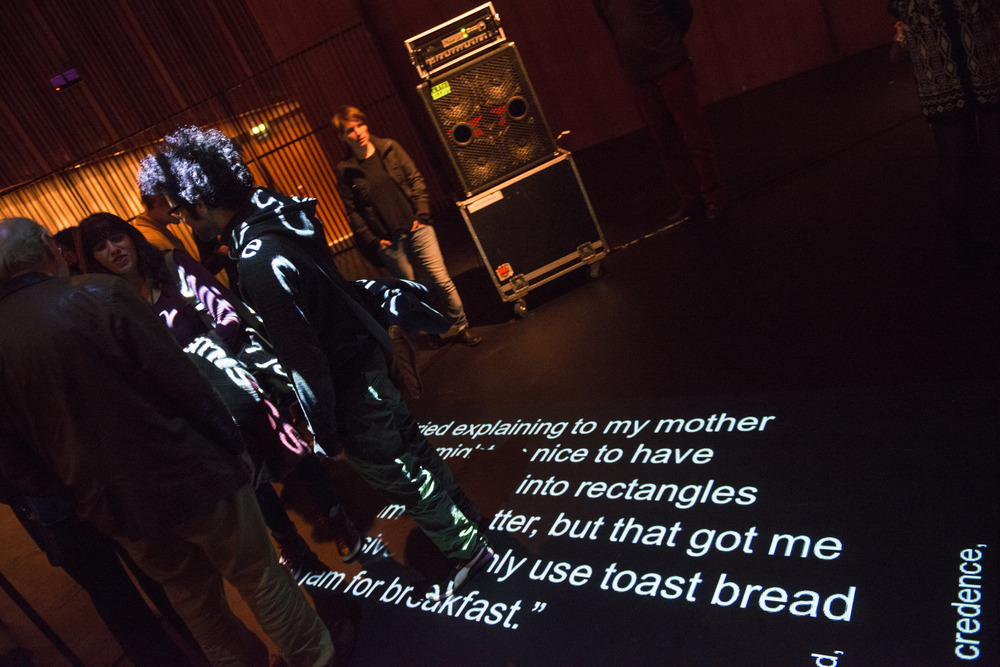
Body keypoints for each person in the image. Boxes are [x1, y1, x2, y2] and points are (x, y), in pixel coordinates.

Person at [138, 126, 494, 601]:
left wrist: (323, 432)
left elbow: (303, 355)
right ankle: (469, 517)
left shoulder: (257, 259)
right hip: (366, 356)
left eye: (182, 210)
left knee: (398, 474)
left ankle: (466, 549)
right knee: (414, 449)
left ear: (200, 201)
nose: (182, 219)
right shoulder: (281, 214)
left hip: (345, 385)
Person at [0, 217, 345, 666]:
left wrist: (73, 491)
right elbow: (181, 381)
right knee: (256, 573)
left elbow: (10, 457)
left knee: (193, 600)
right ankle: (315, 657)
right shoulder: (101, 293)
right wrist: (232, 443)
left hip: (116, 505)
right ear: (49, 247)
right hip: (186, 468)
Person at [77, 212, 363, 572]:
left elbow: (225, 309)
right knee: (245, 475)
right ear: (93, 260)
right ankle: (288, 540)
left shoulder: (171, 266)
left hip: (236, 378)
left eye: (116, 237)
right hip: (194, 404)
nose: (113, 249)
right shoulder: (113, 305)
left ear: (131, 236)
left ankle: (336, 517)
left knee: (290, 449)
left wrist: (202, 353)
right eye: (100, 247)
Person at [332, 105, 482, 347]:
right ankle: (432, 330)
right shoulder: (345, 170)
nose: (358, 132)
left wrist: (421, 214)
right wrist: (374, 240)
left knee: (440, 279)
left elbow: (416, 179)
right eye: (351, 130)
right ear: (342, 136)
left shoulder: (389, 148)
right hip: (388, 239)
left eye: (360, 125)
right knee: (413, 289)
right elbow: (353, 211)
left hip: (417, 226)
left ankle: (462, 326)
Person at [594, 0, 726, 223]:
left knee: (694, 135)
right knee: (666, 141)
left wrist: (668, 45)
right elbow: (614, 30)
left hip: (671, 67)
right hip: (640, 78)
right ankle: (692, 198)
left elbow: (683, 11)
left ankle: (714, 195)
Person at [888, 0, 1000, 262]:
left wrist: (902, 40)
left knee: (952, 159)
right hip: (981, 54)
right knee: (993, 150)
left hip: (937, 68)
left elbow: (902, 14)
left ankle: (963, 243)